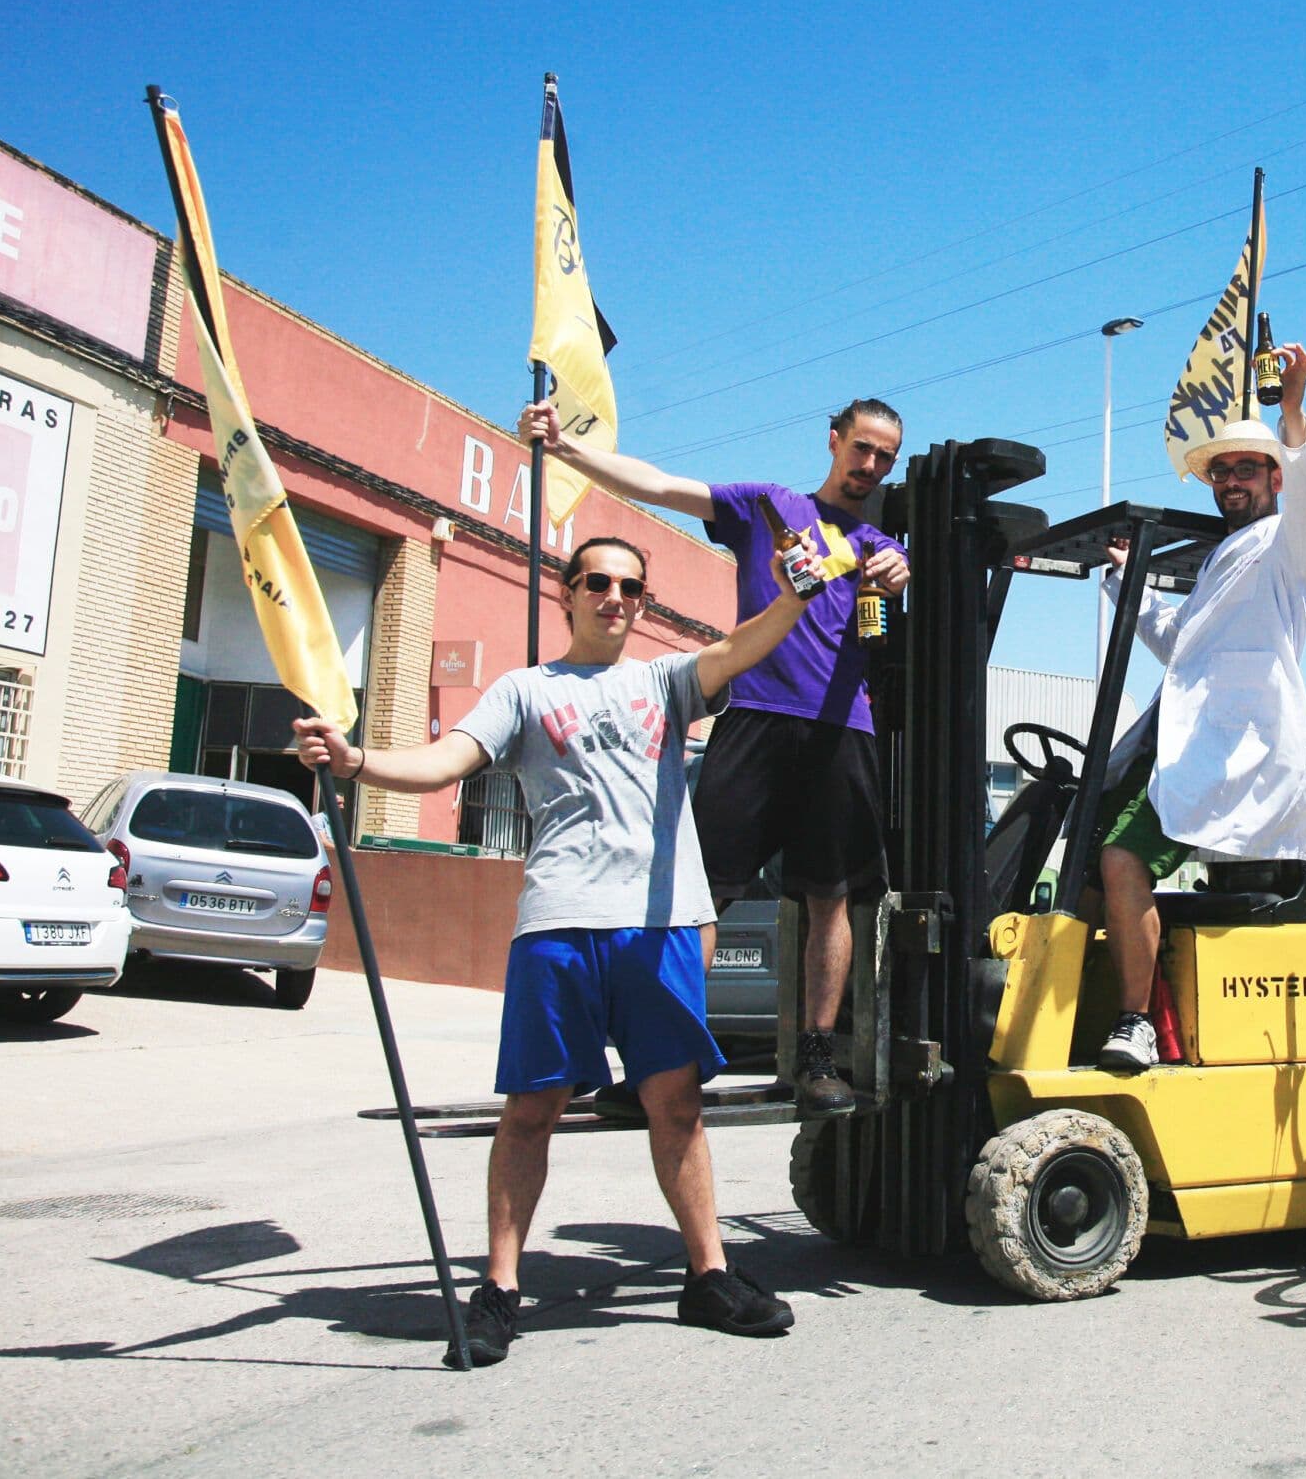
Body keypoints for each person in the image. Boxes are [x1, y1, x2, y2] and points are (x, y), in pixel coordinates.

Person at [292, 532, 856, 1363]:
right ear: (566, 591)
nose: (615, 597)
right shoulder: (524, 689)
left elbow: (740, 648)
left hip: (656, 927)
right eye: (598, 581)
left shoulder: (661, 681)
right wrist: (358, 761)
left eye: (631, 585)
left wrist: (797, 594)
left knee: (677, 1106)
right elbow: (448, 760)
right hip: (558, 924)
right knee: (531, 1112)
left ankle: (707, 1276)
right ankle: (499, 1288)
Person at [523, 397, 910, 1118]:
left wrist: (898, 571)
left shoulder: (883, 545)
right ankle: (670, 1058)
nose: (870, 466)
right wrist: (569, 450)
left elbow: (894, 593)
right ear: (833, 440)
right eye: (862, 448)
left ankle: (819, 1058)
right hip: (755, 719)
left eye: (885, 457)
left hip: (841, 731)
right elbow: (660, 485)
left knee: (831, 897)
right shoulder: (767, 505)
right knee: (697, 897)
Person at [1091, 340, 1306, 1073]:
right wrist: (1128, 585)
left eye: (1247, 468)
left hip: (1242, 760)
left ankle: (1134, 1019)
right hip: (1202, 754)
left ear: (1274, 476)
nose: (1231, 479)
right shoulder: (1224, 563)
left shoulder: (1287, 548)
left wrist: (1291, 412)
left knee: (1120, 856)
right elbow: (1183, 647)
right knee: (1094, 846)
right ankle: (1141, 1006)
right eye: (1221, 470)